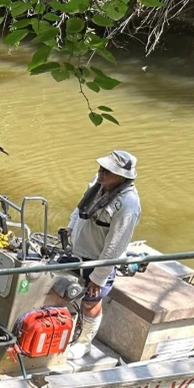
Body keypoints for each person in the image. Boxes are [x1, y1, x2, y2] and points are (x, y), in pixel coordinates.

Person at [64, 148, 141, 359]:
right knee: (59, 288)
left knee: (91, 301)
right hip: (76, 250)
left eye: (108, 170)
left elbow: (114, 247)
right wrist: (70, 227)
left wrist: (98, 277)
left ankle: (84, 342)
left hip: (98, 259)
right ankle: (62, 332)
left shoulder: (127, 205)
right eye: (102, 168)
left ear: (122, 176)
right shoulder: (99, 182)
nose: (102, 172)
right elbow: (80, 208)